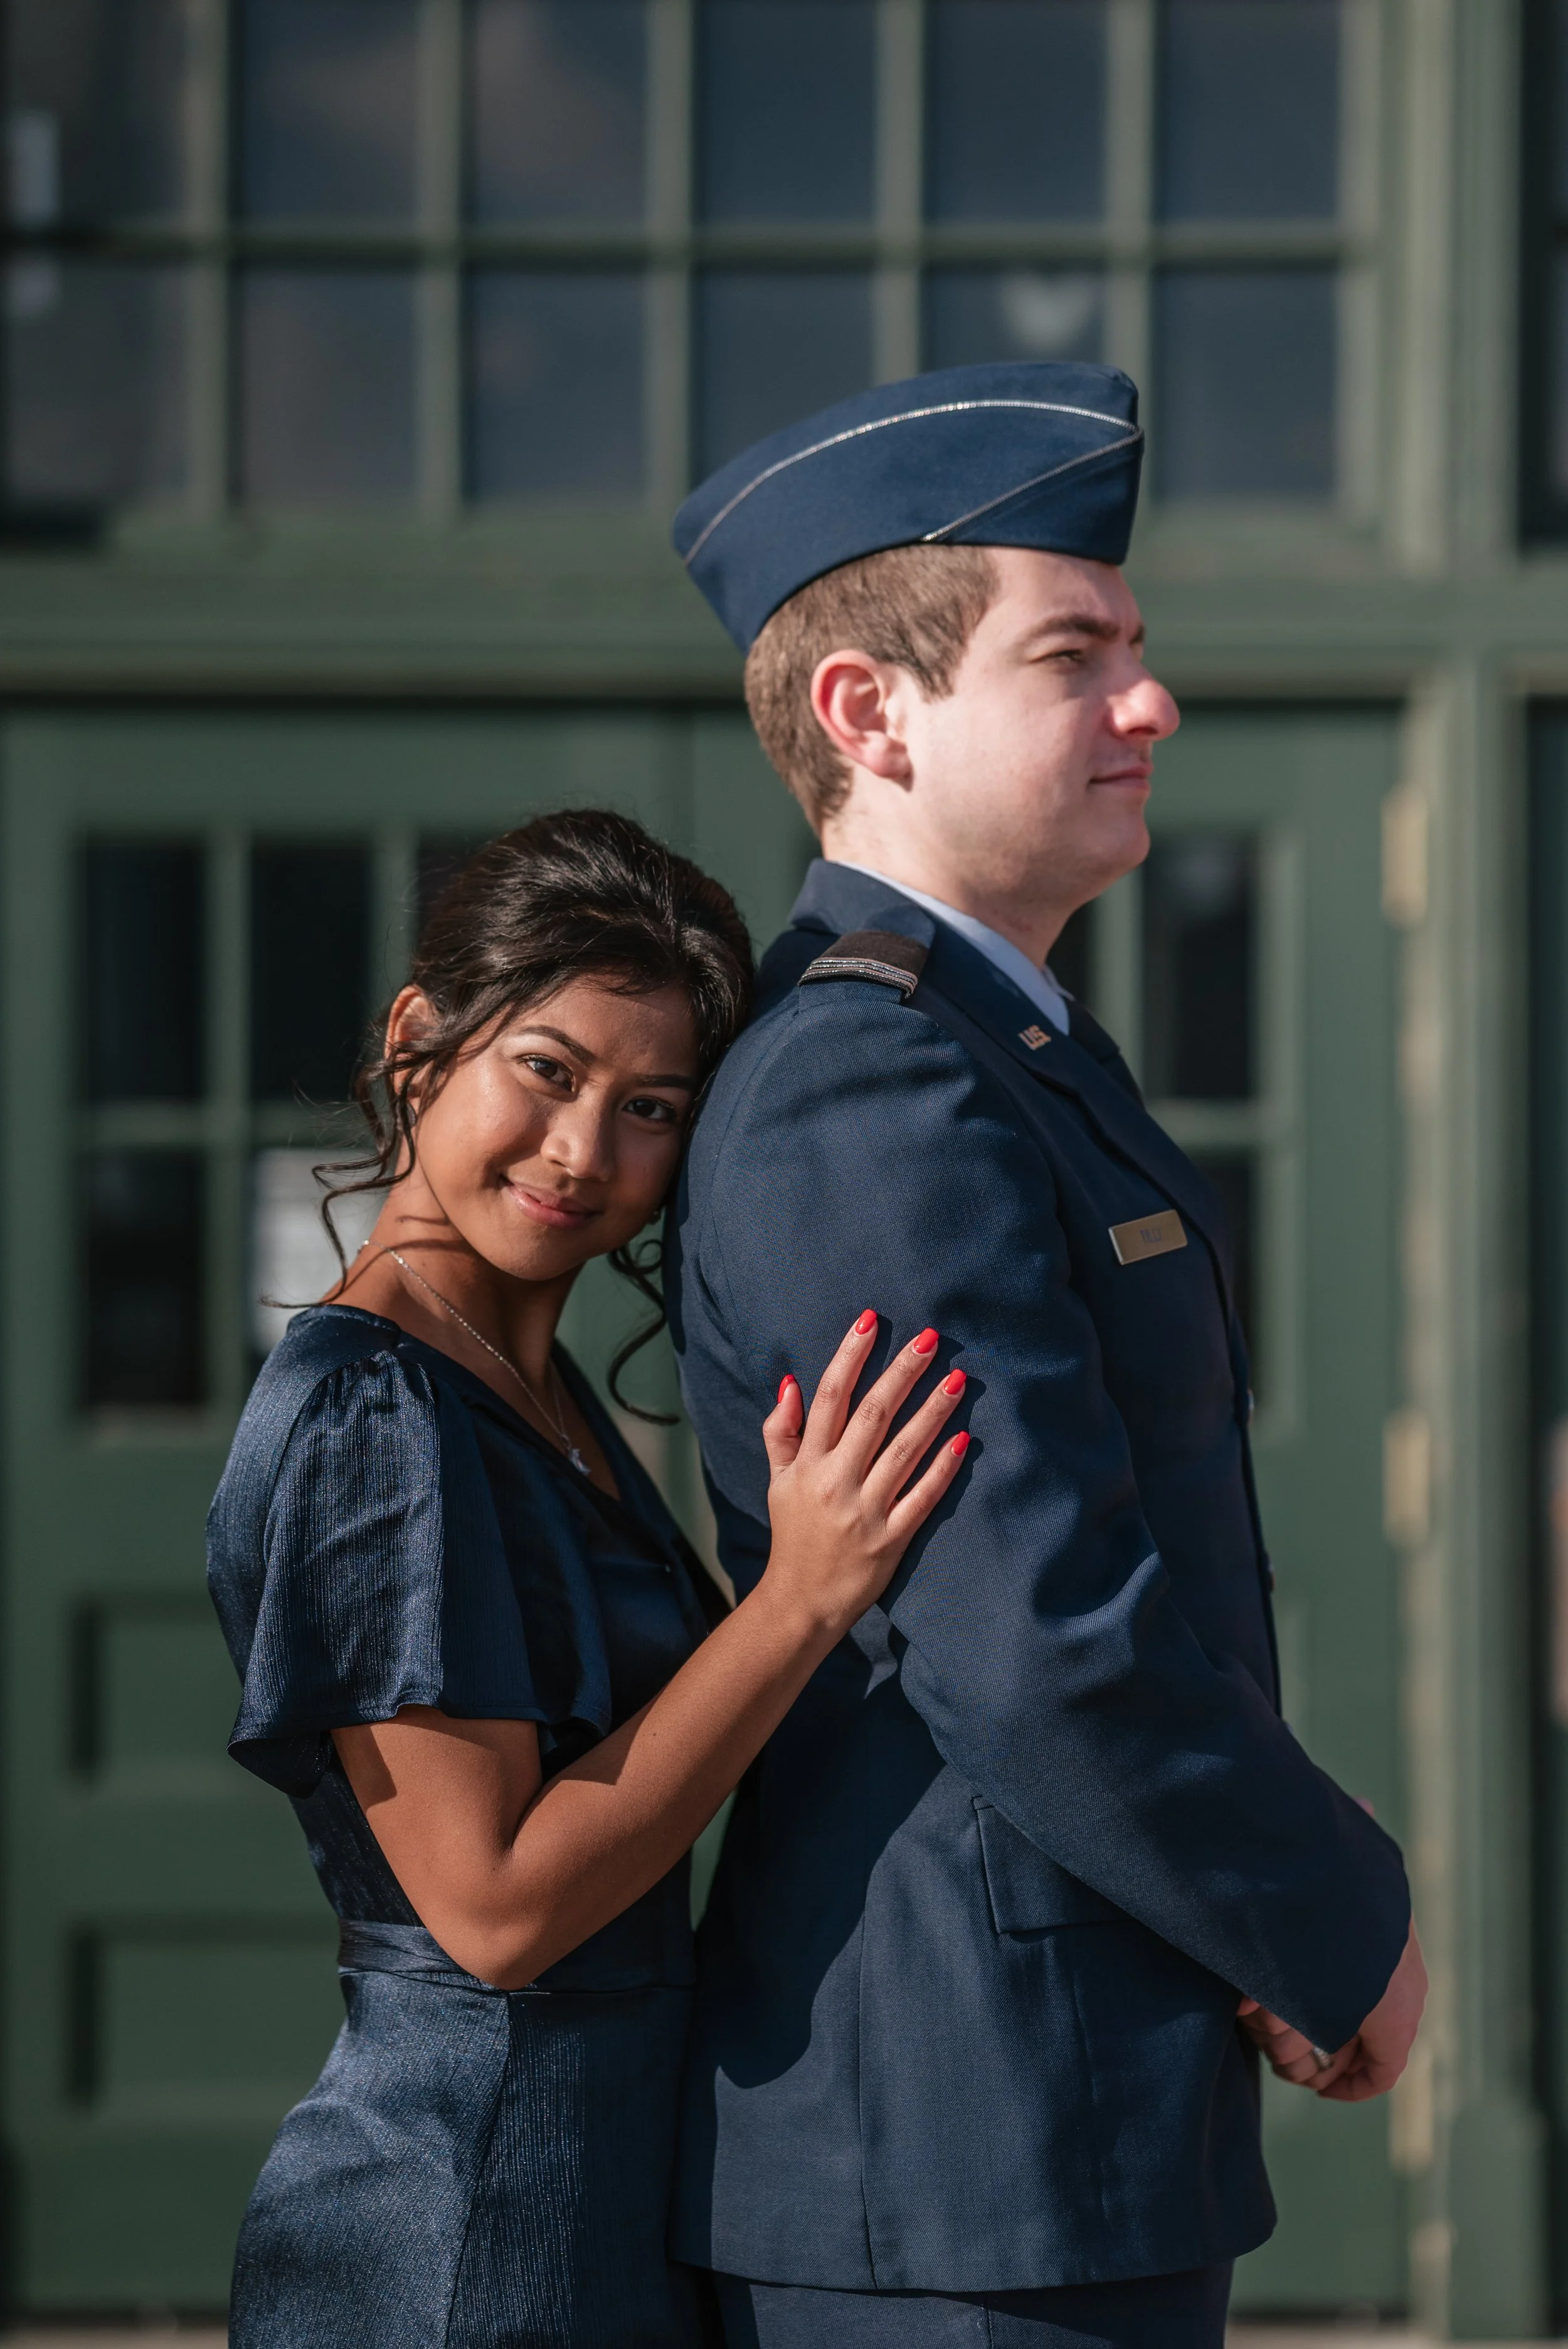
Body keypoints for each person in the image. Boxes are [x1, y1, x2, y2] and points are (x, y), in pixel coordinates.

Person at [665, 362, 1428, 2347]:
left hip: (1044, 2122)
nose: (1147, 703)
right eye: (1073, 655)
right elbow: (1035, 1636)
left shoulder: (991, 1048)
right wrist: (1332, 1922)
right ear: (869, 716)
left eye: (1137, 653)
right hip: (960, 2153)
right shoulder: (868, 1083)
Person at [207, 809, 972, 2349]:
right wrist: (798, 1599)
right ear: (419, 1044)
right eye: (545, 1072)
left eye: (650, 1106)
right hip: (457, 2225)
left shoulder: (529, 1392)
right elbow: (489, 1912)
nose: (582, 1153)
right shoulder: (376, 1411)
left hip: (597, 2188)